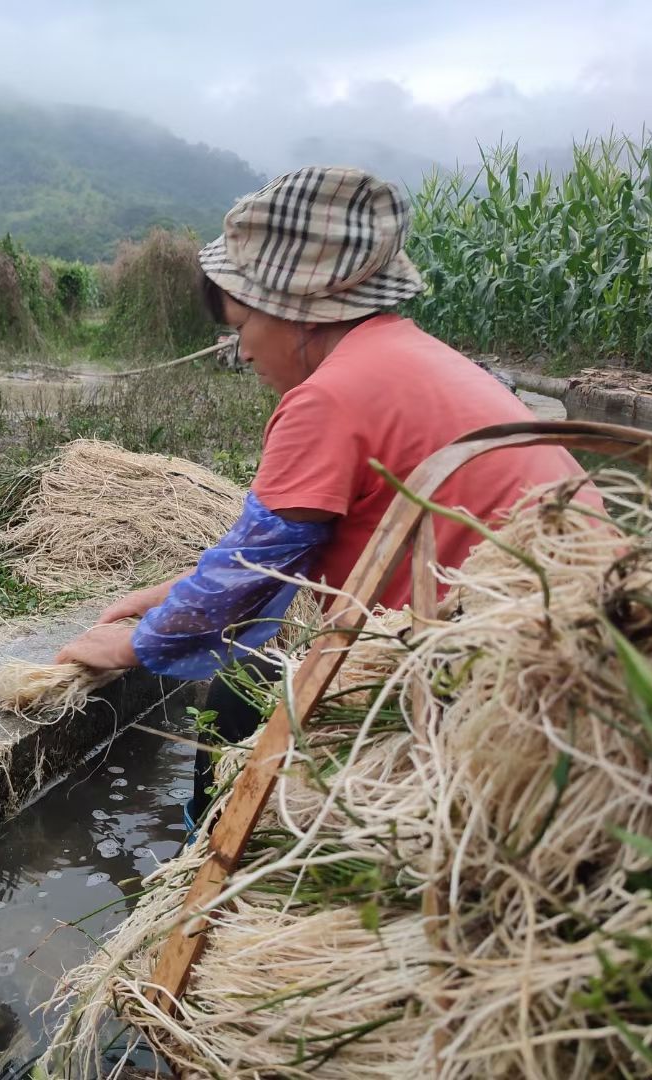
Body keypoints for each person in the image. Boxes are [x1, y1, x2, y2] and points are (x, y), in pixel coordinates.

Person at [52, 166, 596, 824]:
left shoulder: (328, 398)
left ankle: (206, 873)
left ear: (297, 312)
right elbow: (265, 551)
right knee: (240, 686)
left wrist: (132, 646)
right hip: (564, 647)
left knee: (234, 702)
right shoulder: (406, 356)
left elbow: (251, 574)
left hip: (489, 684)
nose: (242, 352)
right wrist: (164, 597)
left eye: (242, 324)